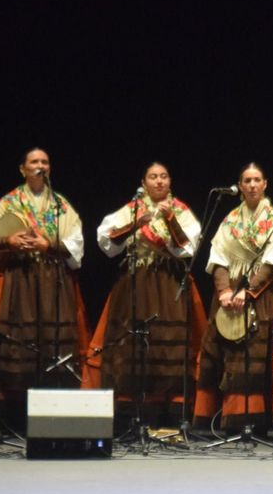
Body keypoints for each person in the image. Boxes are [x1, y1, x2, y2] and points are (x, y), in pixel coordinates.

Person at [83, 163, 206, 425]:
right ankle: (133, 411)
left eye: (163, 176)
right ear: (144, 182)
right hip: (136, 284)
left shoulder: (180, 211)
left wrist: (170, 219)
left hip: (169, 283)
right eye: (153, 177)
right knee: (133, 342)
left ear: (170, 181)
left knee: (169, 341)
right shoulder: (133, 209)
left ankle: (172, 410)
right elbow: (107, 242)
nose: (159, 181)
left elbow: (188, 248)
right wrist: (137, 223)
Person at [0, 147, 89, 401]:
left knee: (53, 342)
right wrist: (8, 241)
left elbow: (76, 247)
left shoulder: (60, 205)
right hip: (18, 281)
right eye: (34, 162)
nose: (40, 166)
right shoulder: (9, 203)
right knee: (20, 342)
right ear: (22, 169)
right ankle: (16, 406)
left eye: (45, 162)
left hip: (52, 282)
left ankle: (52, 402)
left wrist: (49, 246)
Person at [193, 163, 273, 433]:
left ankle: (254, 421)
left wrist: (248, 291)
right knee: (224, 353)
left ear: (265, 184)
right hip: (229, 294)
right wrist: (224, 290)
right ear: (240, 186)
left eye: (257, 180)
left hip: (263, 294)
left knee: (255, 354)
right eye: (247, 180)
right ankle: (225, 418)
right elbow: (218, 258)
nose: (252, 185)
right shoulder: (230, 220)